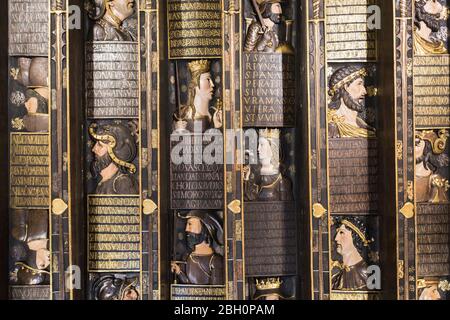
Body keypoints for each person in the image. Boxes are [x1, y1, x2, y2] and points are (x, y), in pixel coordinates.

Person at [171, 211, 224, 285]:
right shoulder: (187, 257)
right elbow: (188, 285)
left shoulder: (215, 261)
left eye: (190, 224)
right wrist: (179, 272)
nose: (186, 229)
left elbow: (216, 291)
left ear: (205, 228)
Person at [89, 122, 139, 194]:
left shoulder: (122, 182)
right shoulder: (104, 180)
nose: (93, 149)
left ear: (114, 152)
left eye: (100, 145)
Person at [173, 60, 222, 132]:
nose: (212, 84)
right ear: (194, 84)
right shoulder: (182, 115)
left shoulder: (215, 114)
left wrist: (218, 127)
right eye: (208, 79)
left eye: (211, 79)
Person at [244, 129, 293, 201]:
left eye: (262, 145)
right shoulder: (256, 175)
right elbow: (249, 198)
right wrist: (247, 178)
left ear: (272, 147)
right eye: (258, 145)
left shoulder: (282, 181)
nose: (258, 149)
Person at [328, 66, 376, 138]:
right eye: (359, 84)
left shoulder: (362, 124)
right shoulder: (332, 125)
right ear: (346, 87)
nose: (364, 91)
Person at [331, 217, 373, 291]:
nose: (336, 238)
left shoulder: (367, 273)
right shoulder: (337, 276)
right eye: (337, 232)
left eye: (342, 233)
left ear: (355, 237)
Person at [10, 209, 50, 285]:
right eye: (45, 266)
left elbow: (19, 205)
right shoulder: (53, 243)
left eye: (42, 264)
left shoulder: (22, 234)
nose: (48, 262)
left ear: (32, 259)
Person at [415, 130, 449, 203]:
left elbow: (438, 209)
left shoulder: (435, 180)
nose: (411, 149)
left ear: (426, 149)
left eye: (416, 143)